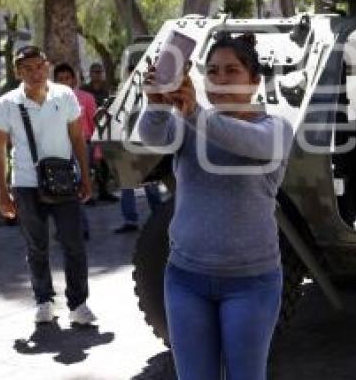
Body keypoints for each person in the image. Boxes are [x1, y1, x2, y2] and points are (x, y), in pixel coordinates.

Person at [138, 32, 294, 379]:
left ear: (254, 81)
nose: (220, 80)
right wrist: (157, 104)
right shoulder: (189, 124)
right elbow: (151, 137)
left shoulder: (277, 129)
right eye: (212, 71)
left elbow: (245, 141)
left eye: (232, 71)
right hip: (185, 278)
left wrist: (194, 112)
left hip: (251, 282)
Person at [0, 45, 97, 325]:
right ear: (17, 72)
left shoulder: (65, 95)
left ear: (46, 66)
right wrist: (3, 193)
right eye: (27, 68)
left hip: (63, 183)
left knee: (73, 244)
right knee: (36, 247)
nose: (34, 73)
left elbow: (77, 139)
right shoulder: (6, 104)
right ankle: (44, 300)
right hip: (25, 185)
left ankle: (78, 304)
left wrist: (85, 177)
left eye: (39, 66)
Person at [114, 64, 161, 233]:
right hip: (126, 143)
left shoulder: (147, 93)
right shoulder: (122, 94)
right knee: (127, 184)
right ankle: (130, 219)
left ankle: (158, 216)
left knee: (151, 183)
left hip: (145, 143)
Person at [53, 63, 96, 239]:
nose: (64, 82)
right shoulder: (50, 100)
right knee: (59, 189)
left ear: (74, 80)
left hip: (82, 146)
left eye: (67, 78)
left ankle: (81, 228)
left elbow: (94, 126)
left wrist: (97, 151)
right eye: (60, 79)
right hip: (59, 148)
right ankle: (64, 228)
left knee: (78, 186)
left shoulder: (86, 98)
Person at [80, 61, 116, 203]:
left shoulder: (107, 88)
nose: (97, 75)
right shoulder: (85, 90)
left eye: (99, 72)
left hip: (105, 129)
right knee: (89, 164)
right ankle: (87, 193)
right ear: (90, 74)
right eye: (94, 72)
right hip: (89, 130)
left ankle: (104, 190)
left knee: (105, 162)